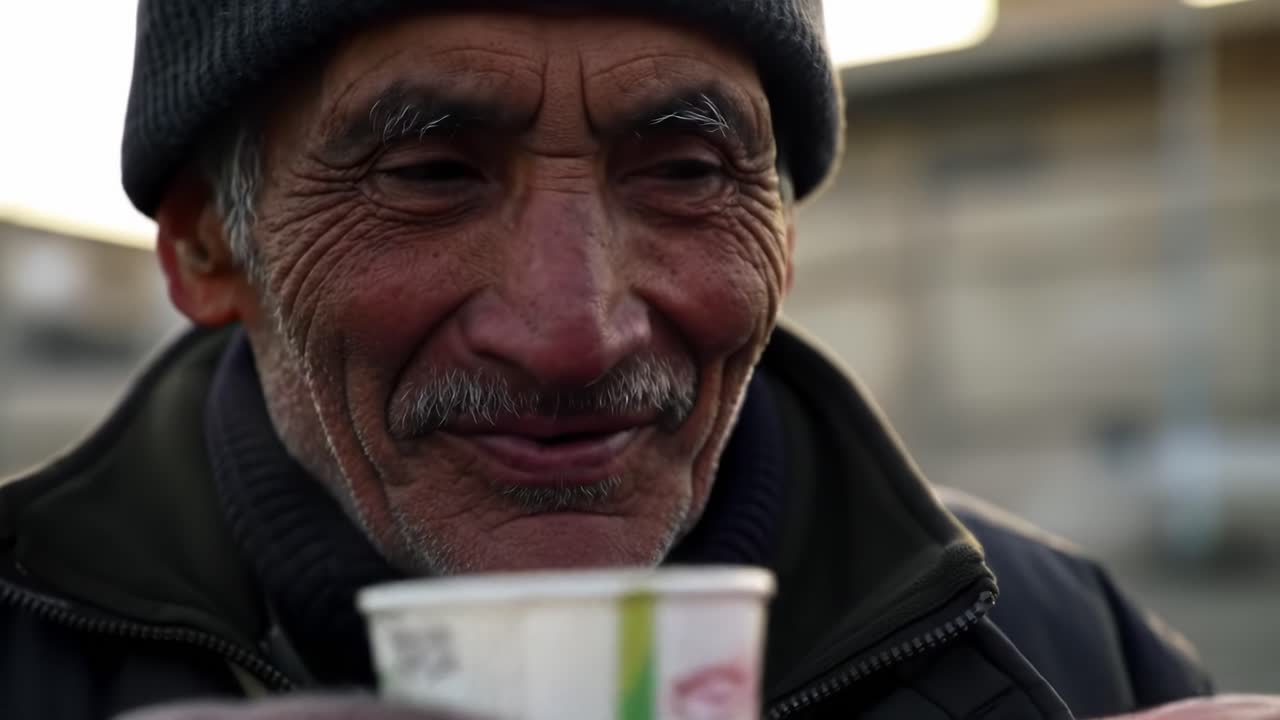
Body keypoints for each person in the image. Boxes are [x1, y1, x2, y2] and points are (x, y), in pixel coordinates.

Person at [3, 0, 1266, 718]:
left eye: (686, 173)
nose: (576, 330)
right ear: (207, 248)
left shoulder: (1065, 659)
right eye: (430, 173)